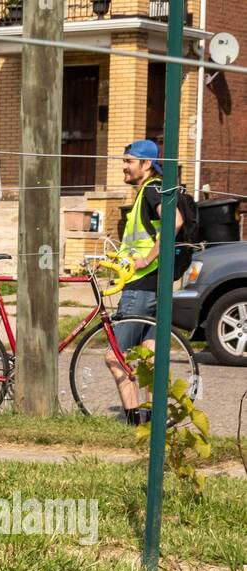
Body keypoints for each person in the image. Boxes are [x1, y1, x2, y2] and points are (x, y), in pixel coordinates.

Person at [107, 138, 185, 425]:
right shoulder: (149, 192)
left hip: (141, 286)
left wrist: (147, 259)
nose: (124, 167)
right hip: (156, 286)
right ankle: (153, 421)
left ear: (146, 164)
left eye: (129, 161)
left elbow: (174, 222)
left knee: (114, 356)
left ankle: (133, 420)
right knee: (150, 358)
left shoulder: (152, 191)